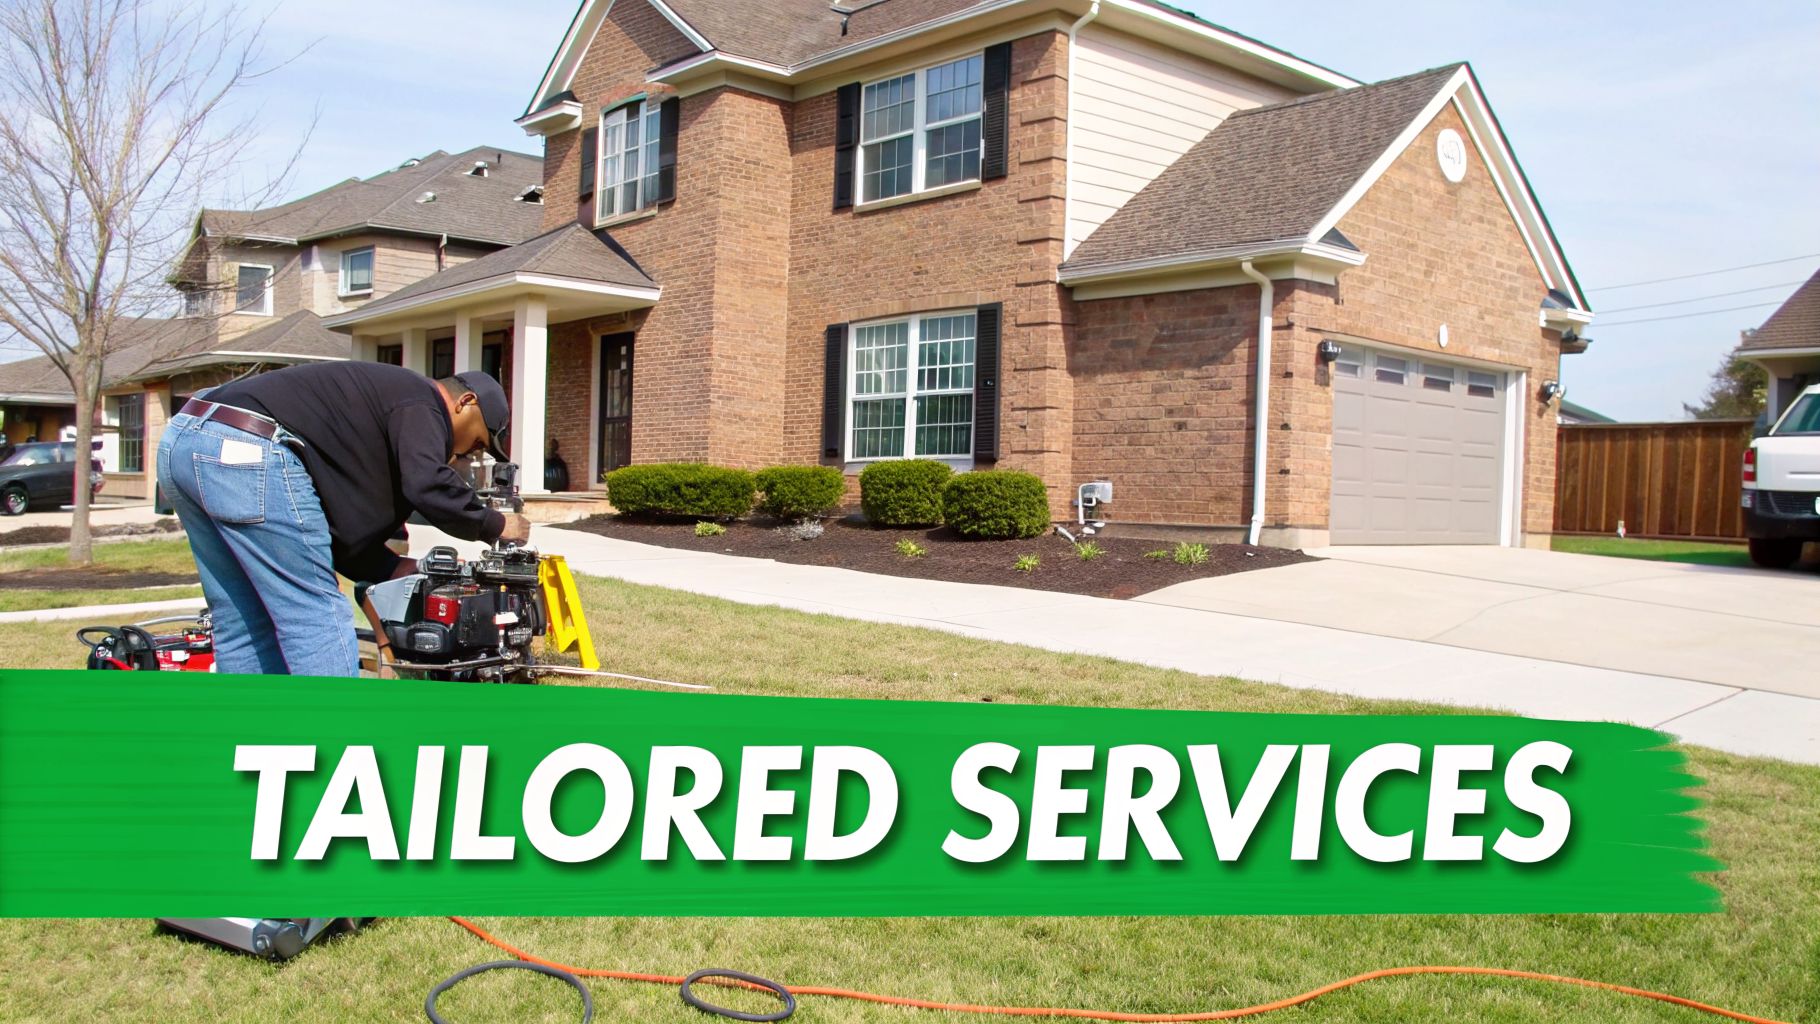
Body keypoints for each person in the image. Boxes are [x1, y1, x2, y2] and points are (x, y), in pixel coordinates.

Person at [156, 363, 532, 677]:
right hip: (248, 446)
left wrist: (392, 566)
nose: (465, 454)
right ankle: (336, 742)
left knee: (242, 618)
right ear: (464, 403)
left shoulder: (374, 409)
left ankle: (250, 741)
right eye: (478, 443)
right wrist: (496, 525)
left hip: (183, 441)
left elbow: (334, 535)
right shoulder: (422, 399)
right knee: (314, 613)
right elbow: (428, 484)